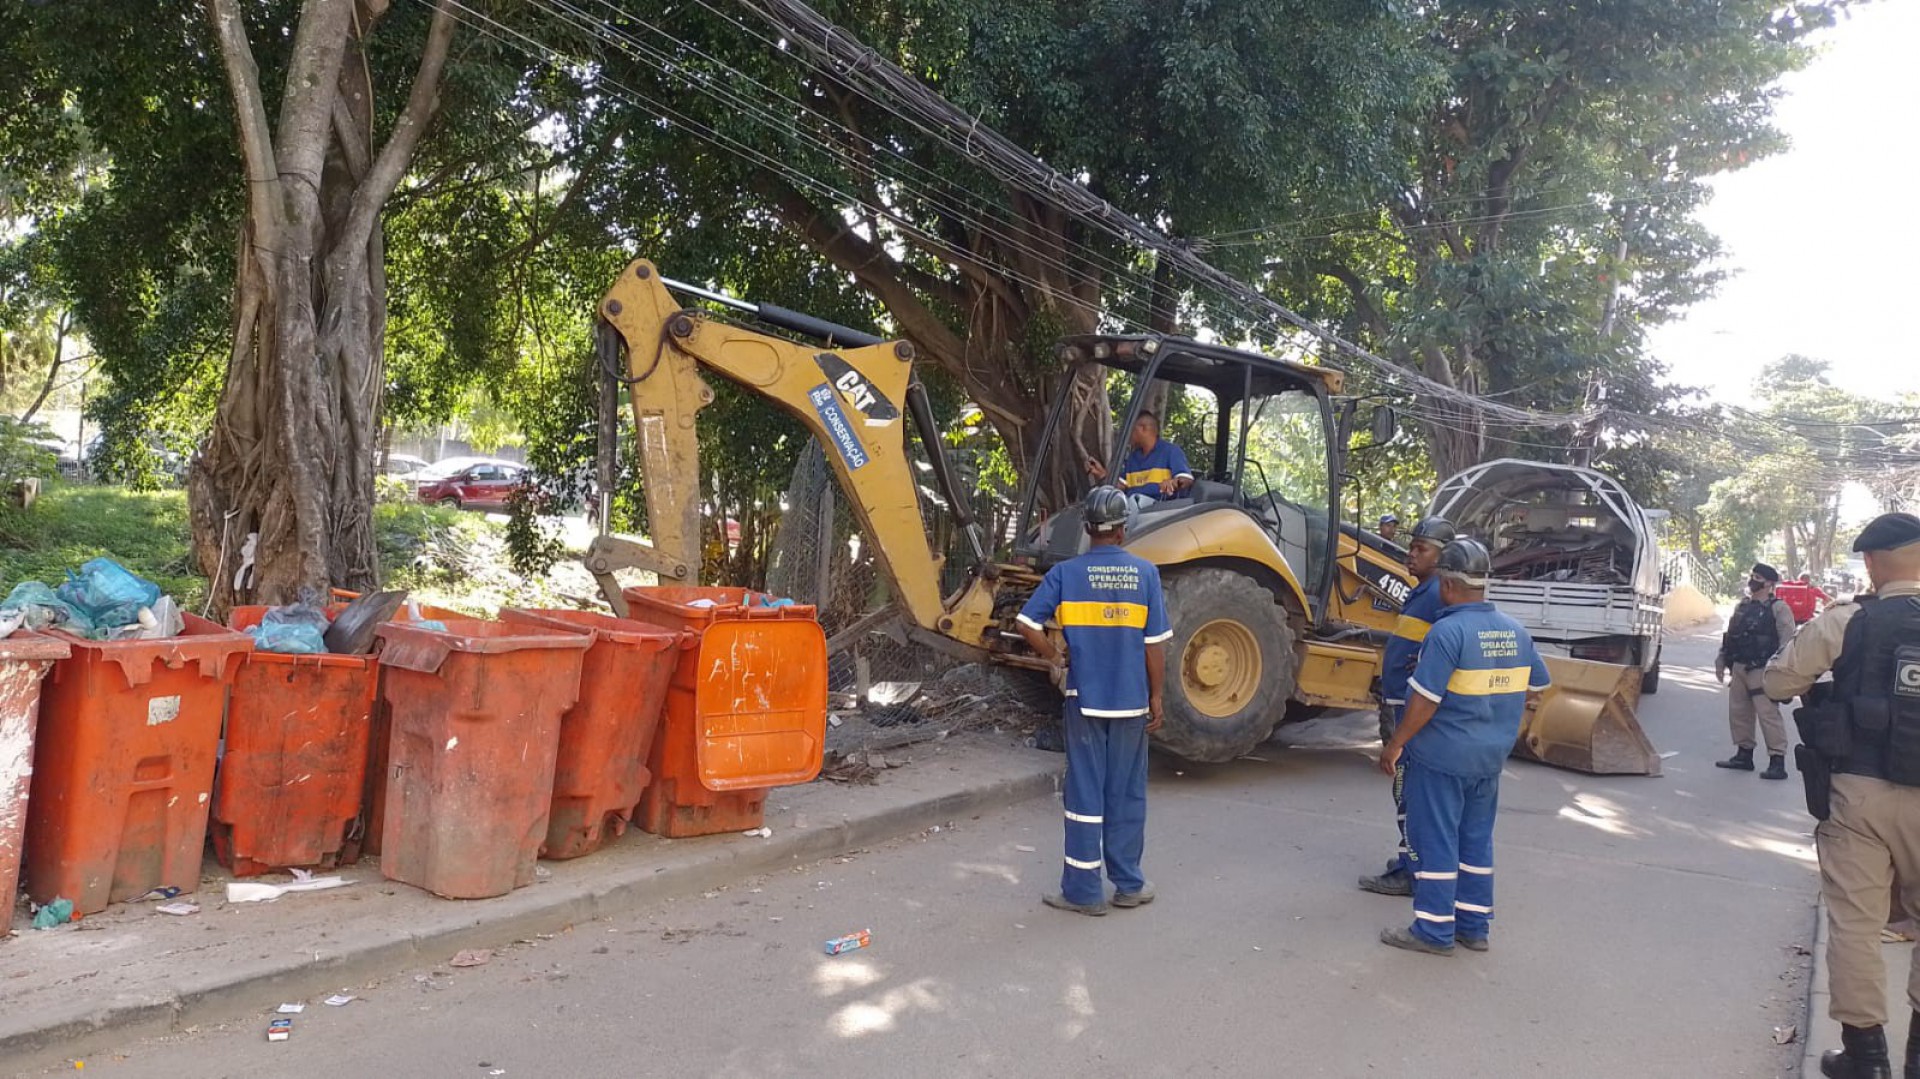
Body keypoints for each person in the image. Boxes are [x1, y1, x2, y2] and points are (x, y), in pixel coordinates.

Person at [1763, 512, 1920, 1079]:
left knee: (1856, 923)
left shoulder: (1849, 619)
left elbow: (1779, 681)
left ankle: (1865, 1058)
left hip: (1861, 797)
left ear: (1873, 564)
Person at [1377, 538, 1551, 956]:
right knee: (1475, 841)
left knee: (1435, 839)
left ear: (1448, 584)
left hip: (1441, 758)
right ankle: (1473, 926)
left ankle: (1433, 931)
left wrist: (1396, 744)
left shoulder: (1447, 631)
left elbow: (1424, 701)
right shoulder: (1515, 630)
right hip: (1489, 759)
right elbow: (1539, 685)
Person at [1016, 485, 1172, 916]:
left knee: (1085, 794)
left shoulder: (1066, 574)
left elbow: (1027, 622)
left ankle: (1084, 893)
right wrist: (1156, 696)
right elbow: (1154, 645)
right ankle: (1128, 884)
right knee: (1126, 793)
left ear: (1087, 529)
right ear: (1122, 531)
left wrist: (1055, 656)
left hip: (1084, 700)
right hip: (1131, 702)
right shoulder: (1146, 575)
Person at [1359, 516, 1457, 897]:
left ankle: (1412, 870)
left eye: (1422, 549)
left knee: (1408, 789)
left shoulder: (1438, 594)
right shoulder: (1422, 589)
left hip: (1412, 705)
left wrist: (1431, 658)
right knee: (1405, 789)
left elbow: (1451, 639)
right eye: (1411, 547)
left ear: (1444, 556)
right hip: (1400, 699)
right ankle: (1409, 857)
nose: (1411, 555)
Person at [1716, 562, 1798, 780]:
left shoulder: (1778, 608)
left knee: (1768, 714)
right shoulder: (1742, 606)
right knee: (1739, 712)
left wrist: (1781, 672)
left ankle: (1777, 760)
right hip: (1740, 666)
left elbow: (1787, 641)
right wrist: (1722, 658)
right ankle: (1744, 754)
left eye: (1758, 577)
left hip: (1762, 669)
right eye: (1752, 576)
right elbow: (1731, 634)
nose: (1753, 580)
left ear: (1769, 583)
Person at [1085, 411, 1193, 507]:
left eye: (1131, 429)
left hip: (1159, 511)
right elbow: (1121, 487)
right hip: (1133, 510)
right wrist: (1102, 474)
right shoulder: (1132, 458)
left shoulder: (1170, 451)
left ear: (1143, 428)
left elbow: (1186, 480)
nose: (1128, 434)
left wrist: (1173, 482)